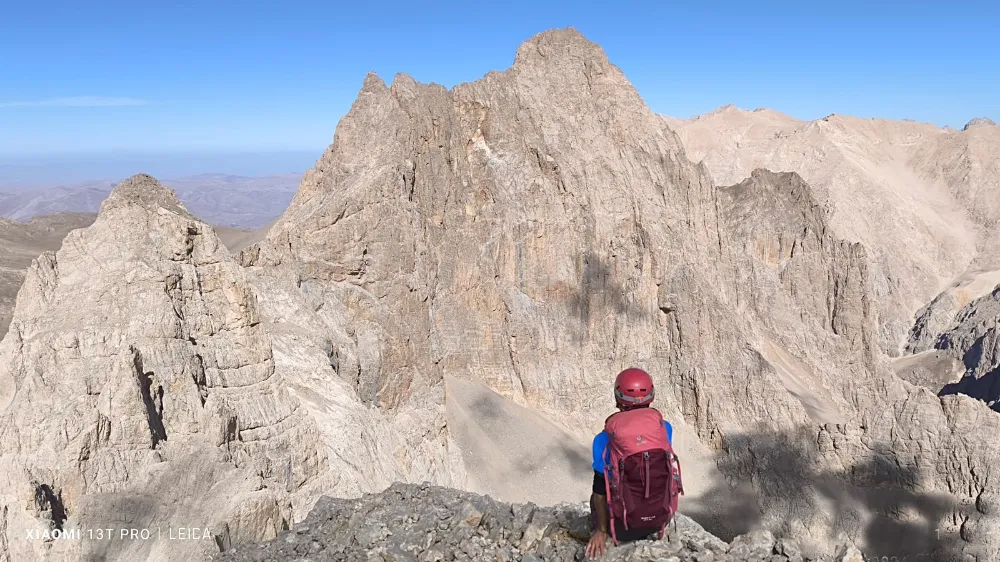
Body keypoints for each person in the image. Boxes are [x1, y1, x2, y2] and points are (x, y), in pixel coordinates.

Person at [586, 367, 679, 560]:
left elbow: (600, 490)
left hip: (622, 529)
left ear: (618, 397)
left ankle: (603, 529)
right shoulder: (665, 429)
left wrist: (601, 530)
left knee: (596, 492)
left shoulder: (602, 440)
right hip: (660, 519)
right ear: (651, 396)